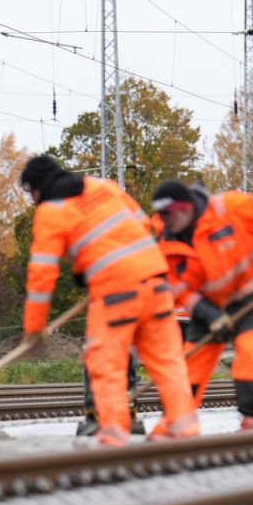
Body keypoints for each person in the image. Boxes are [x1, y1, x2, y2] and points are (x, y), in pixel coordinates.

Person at [22, 156, 198, 446]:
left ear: (38, 188)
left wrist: (35, 328)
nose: (32, 200)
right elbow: (145, 224)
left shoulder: (51, 212)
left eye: (30, 193)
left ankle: (114, 435)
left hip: (116, 293)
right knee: (168, 362)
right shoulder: (104, 187)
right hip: (156, 282)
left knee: (106, 363)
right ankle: (185, 431)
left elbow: (42, 274)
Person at [152, 179, 253, 431]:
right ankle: (177, 427)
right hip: (209, 306)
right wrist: (209, 314)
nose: (164, 220)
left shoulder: (230, 207)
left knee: (251, 358)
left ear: (185, 208)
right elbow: (181, 290)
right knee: (190, 367)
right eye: (160, 215)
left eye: (167, 214)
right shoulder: (168, 244)